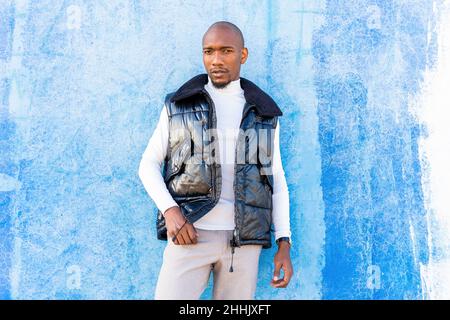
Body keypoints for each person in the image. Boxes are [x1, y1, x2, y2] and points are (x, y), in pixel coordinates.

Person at [139, 21, 293, 300]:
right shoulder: (178, 105)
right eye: (209, 51)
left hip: (244, 241)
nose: (217, 60)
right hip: (190, 232)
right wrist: (171, 212)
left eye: (226, 51)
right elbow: (148, 164)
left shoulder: (263, 112)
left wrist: (284, 240)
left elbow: (276, 179)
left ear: (243, 55)